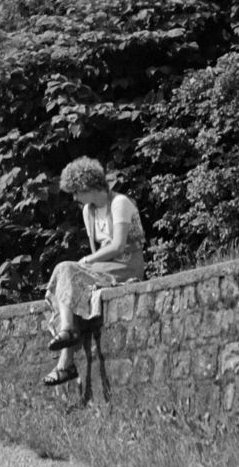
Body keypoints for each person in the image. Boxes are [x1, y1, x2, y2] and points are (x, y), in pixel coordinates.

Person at [41, 156, 145, 388]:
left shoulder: (120, 203)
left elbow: (117, 245)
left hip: (126, 266)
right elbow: (96, 250)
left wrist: (86, 262)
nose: (75, 198)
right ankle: (66, 354)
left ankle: (67, 347)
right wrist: (87, 266)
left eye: (76, 192)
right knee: (67, 279)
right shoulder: (88, 211)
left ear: (88, 186)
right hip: (104, 268)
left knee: (65, 269)